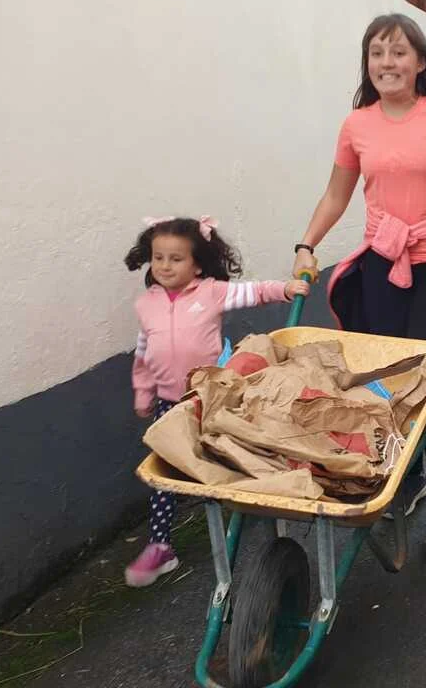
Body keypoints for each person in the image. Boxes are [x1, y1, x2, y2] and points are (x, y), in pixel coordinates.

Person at [291, 14, 426, 542]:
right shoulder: (357, 125)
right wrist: (306, 245)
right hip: (383, 261)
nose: (388, 62)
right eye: (377, 53)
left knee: (425, 379)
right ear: (367, 63)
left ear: (420, 61)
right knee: (384, 379)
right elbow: (336, 194)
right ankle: (411, 476)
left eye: (399, 52)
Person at [123, 216, 307, 586]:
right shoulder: (147, 305)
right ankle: (160, 546)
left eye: (176, 259)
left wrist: (286, 290)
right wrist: (143, 392)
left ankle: (254, 504)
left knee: (229, 454)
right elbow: (143, 354)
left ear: (198, 264)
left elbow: (253, 292)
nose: (165, 266)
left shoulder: (211, 292)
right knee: (166, 472)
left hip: (211, 398)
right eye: (158, 258)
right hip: (169, 403)